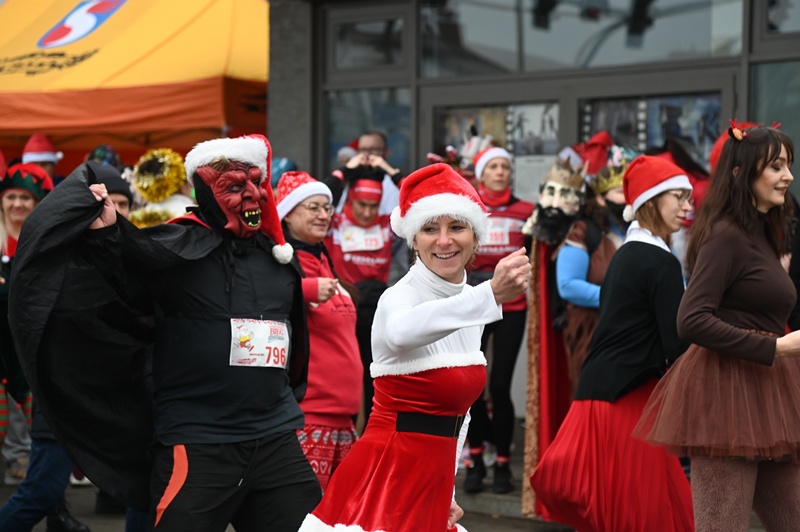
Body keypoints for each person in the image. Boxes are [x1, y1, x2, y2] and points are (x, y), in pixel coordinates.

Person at [9, 135, 322, 531]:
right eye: (233, 186)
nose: (249, 195)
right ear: (206, 192)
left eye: (255, 183)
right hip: (199, 444)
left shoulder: (279, 260)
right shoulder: (177, 249)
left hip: (275, 440)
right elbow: (120, 281)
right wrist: (107, 233)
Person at [298, 162, 532, 532]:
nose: (444, 240)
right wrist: (489, 294)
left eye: (457, 227)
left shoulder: (470, 305)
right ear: (413, 239)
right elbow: (401, 332)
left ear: (475, 237)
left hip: (431, 483)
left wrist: (448, 488)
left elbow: (460, 416)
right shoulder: (399, 297)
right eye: (430, 229)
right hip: (385, 478)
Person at [635, 122, 800, 531]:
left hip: (765, 393)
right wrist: (776, 347)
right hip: (726, 395)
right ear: (742, 173)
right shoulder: (726, 236)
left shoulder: (762, 232)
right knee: (722, 525)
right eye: (776, 166)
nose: (788, 176)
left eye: (789, 166)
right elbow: (691, 319)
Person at [531, 155, 696, 532]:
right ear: (652, 201)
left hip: (596, 398)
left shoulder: (626, 255)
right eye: (679, 197)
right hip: (630, 402)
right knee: (647, 515)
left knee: (621, 512)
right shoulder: (660, 262)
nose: (688, 206)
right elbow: (679, 347)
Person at [0, 163, 91, 532]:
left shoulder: (49, 241)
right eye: (11, 196)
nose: (17, 204)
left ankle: (56, 511)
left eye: (25, 197)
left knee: (45, 443)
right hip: (4, 352)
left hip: (37, 355)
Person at [275, 170, 362, 491]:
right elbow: (261, 296)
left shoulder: (324, 259)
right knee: (309, 513)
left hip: (344, 419)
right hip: (309, 418)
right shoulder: (280, 264)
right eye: (313, 207)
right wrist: (306, 289)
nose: (323, 215)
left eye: (327, 207)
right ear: (287, 213)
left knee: (341, 513)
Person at [462, 146, 533, 494]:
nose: (501, 171)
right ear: (481, 174)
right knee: (473, 384)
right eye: (493, 166)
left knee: (501, 386)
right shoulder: (468, 208)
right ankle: (475, 460)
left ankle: (503, 463)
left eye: (505, 166)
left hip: (512, 307)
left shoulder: (526, 211)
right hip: (473, 304)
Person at [556, 144, 637, 396]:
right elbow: (568, 285)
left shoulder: (641, 229)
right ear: (601, 198)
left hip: (635, 330)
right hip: (592, 332)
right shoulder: (584, 231)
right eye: (619, 192)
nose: (627, 199)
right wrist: (621, 299)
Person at [325, 176, 395, 431]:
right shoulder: (335, 223)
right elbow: (323, 196)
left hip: (375, 310)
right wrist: (344, 172)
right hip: (342, 308)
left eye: (373, 206)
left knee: (374, 375)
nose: (367, 213)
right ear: (349, 201)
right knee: (343, 373)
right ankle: (344, 433)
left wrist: (390, 172)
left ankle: (370, 436)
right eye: (361, 205)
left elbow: (417, 207)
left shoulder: (387, 225)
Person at [127, 148, 195, 228]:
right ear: (182, 184)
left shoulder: (136, 218)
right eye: (191, 183)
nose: (193, 187)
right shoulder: (192, 214)